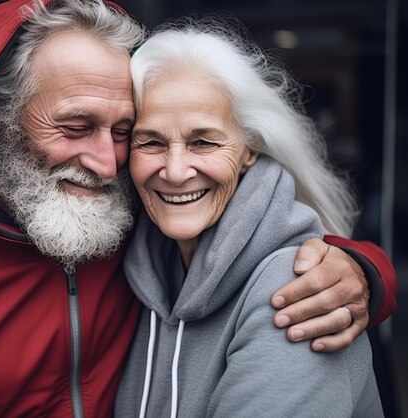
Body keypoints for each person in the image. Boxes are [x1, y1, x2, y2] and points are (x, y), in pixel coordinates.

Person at [0, 1, 395, 417]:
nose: (106, 161)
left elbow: (243, 231)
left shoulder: (128, 204)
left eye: (125, 130)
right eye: (74, 126)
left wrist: (361, 268)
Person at [114, 18, 384, 417]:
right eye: (151, 141)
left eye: (203, 141)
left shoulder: (299, 290)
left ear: (250, 148)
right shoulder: (140, 269)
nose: (174, 171)